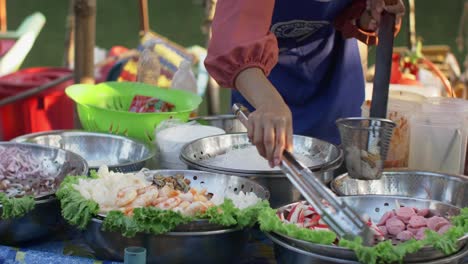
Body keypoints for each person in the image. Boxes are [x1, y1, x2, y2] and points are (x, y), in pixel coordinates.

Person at [205, 0, 405, 168]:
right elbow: (233, 41)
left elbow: (357, 11)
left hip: (334, 81)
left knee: (341, 173)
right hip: (261, 85)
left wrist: (369, 14)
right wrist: (269, 103)